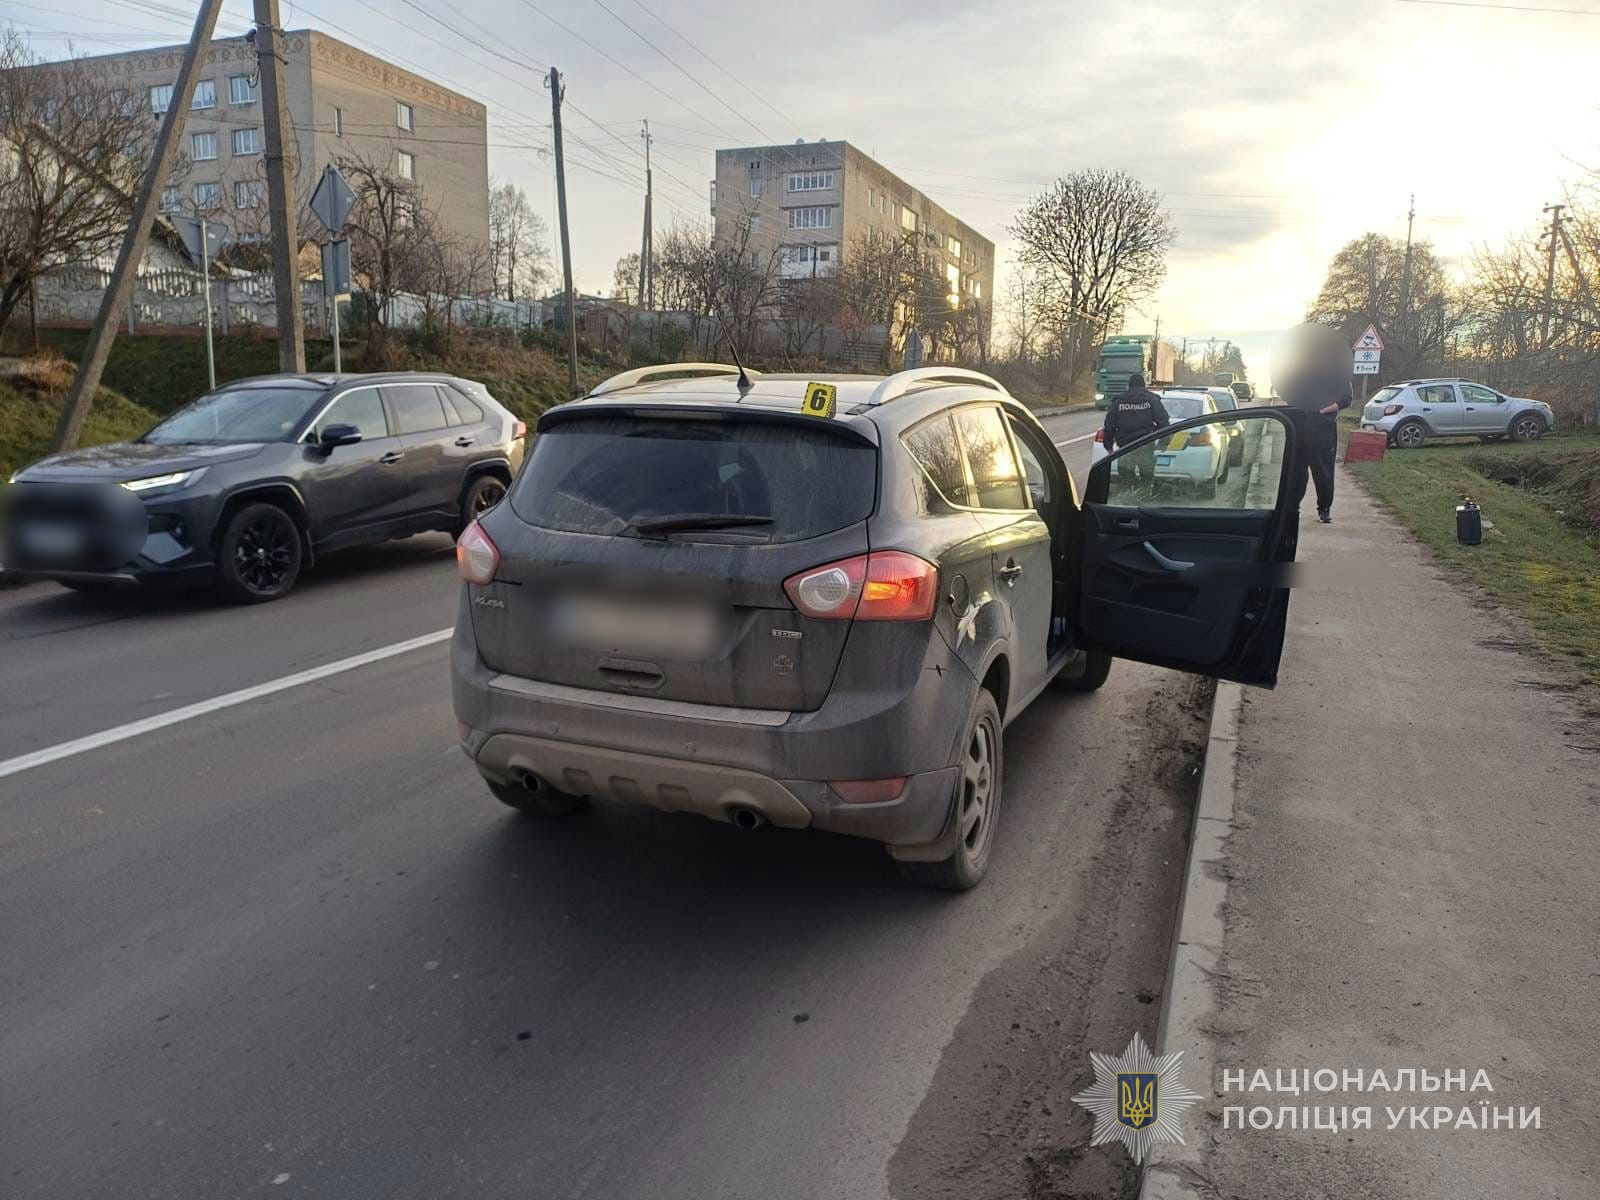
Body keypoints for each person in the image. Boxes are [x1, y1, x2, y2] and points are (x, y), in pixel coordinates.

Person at [1279, 358, 1351, 523]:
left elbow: (1346, 399)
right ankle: (1292, 506)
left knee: (1323, 471)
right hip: (1299, 426)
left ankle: (1324, 508)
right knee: (1296, 470)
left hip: (1322, 428)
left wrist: (1322, 410)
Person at [1102, 373, 1171, 496]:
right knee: (1147, 478)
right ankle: (1143, 501)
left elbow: (1109, 425)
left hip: (1125, 448)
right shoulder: (1152, 400)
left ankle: (1127, 503)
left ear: (1129, 386)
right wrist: (1163, 443)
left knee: (1126, 481)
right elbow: (1163, 422)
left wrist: (1108, 446)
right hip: (1146, 445)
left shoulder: (1119, 401)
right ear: (1144, 385)